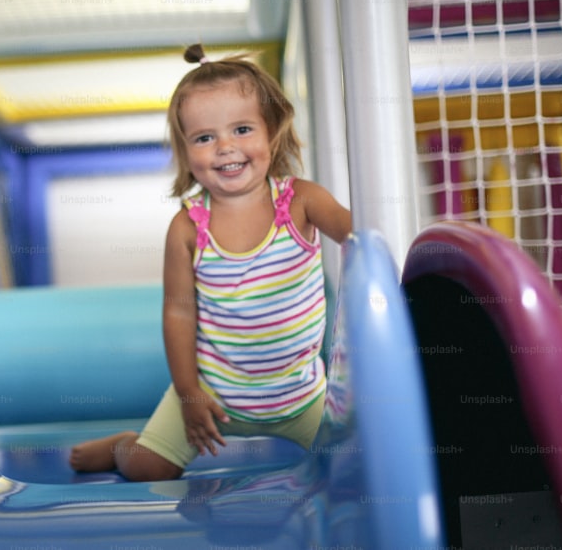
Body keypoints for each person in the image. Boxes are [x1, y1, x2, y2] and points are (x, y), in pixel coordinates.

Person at [69, 44, 352, 481]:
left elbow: (357, 234)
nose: (225, 148)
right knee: (148, 469)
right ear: (186, 151)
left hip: (302, 398)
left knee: (351, 468)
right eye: (204, 138)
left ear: (271, 130)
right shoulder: (187, 227)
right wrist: (188, 394)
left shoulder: (302, 201)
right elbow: (179, 311)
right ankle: (122, 445)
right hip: (214, 394)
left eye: (241, 129)